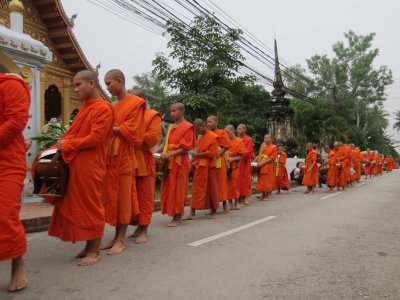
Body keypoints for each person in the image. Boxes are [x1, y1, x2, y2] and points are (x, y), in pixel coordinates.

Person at [47, 70, 114, 266]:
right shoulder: (86, 107)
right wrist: (59, 144)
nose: (75, 89)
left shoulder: (104, 108)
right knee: (81, 206)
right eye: (74, 85)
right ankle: (88, 246)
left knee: (91, 205)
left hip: (92, 165)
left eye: (79, 84)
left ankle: (95, 251)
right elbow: (75, 133)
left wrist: (66, 145)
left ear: (92, 84)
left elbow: (96, 138)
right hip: (77, 163)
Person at [101, 70, 145, 254]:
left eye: (109, 83)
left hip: (125, 156)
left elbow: (134, 132)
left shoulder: (136, 103)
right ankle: (115, 237)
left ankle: (121, 239)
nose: (107, 87)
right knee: (113, 198)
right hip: (110, 157)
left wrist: (109, 128)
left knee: (124, 199)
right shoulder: (113, 106)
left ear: (120, 81)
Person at [0, 71, 30, 292]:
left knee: (5, 214)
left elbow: (17, 120)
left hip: (7, 163)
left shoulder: (11, 84)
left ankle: (17, 264)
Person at [129, 89, 162, 244]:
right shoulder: (129, 115)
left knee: (144, 195)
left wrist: (129, 135)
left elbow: (152, 138)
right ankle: (137, 226)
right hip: (128, 159)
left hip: (144, 159)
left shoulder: (152, 115)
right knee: (130, 196)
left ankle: (145, 229)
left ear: (141, 100)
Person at [159, 103, 195, 227]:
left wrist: (171, 154)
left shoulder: (188, 127)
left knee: (179, 189)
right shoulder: (170, 127)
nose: (171, 113)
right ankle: (175, 212)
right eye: (171, 111)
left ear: (181, 111)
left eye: (174, 111)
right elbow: (164, 144)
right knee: (169, 188)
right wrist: (154, 153)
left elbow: (187, 147)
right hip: (169, 162)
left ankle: (177, 216)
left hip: (180, 162)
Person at [183, 119, 219, 220]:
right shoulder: (200, 136)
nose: (197, 131)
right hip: (199, 166)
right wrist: (193, 159)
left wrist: (197, 154)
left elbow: (213, 154)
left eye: (198, 129)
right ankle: (192, 212)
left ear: (203, 126)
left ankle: (213, 210)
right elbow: (197, 149)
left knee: (211, 188)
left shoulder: (213, 137)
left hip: (209, 166)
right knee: (196, 188)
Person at [207, 115, 231, 213]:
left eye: (210, 121)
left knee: (221, 182)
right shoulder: (206, 134)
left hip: (219, 160)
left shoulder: (222, 132)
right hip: (209, 160)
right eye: (207, 122)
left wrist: (217, 155)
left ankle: (225, 203)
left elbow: (226, 147)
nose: (208, 124)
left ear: (216, 122)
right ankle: (213, 207)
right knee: (212, 184)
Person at [225, 125, 245, 210]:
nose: (226, 134)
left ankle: (236, 202)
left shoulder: (239, 141)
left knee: (234, 184)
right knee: (227, 185)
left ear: (232, 131)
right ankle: (229, 203)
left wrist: (232, 159)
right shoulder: (225, 141)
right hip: (226, 166)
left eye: (227, 133)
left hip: (235, 166)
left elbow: (241, 156)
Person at [255, 134, 278, 200]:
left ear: (271, 139)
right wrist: (254, 162)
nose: (265, 140)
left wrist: (262, 163)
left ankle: (267, 195)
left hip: (268, 165)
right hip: (262, 165)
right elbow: (260, 155)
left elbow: (272, 158)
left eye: (267, 138)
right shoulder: (263, 147)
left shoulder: (274, 147)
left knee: (267, 180)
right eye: (264, 138)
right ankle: (263, 194)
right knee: (262, 180)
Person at [237, 124, 255, 206]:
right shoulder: (236, 139)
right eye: (237, 129)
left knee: (244, 181)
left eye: (240, 129)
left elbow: (248, 152)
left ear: (245, 130)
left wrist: (239, 154)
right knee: (237, 180)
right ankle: (238, 198)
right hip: (236, 162)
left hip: (244, 163)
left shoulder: (248, 140)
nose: (238, 130)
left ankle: (243, 198)